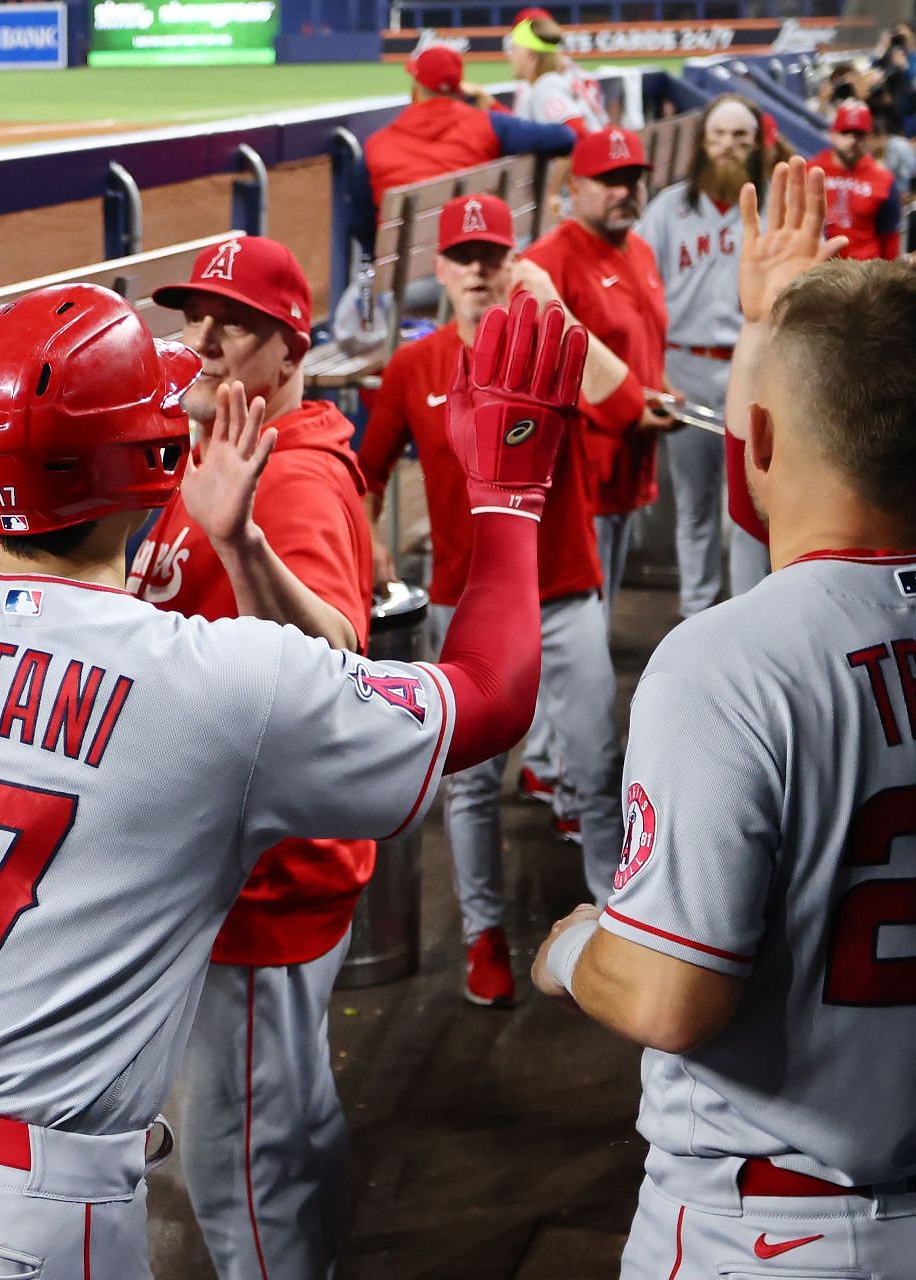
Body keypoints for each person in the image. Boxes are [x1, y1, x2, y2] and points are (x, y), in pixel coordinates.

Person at [0, 241, 589, 1278]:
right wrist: (511, 498)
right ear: (156, 466)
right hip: (10, 1218)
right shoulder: (209, 680)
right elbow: (491, 696)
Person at [531, 162, 916, 1280]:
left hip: (773, 1231)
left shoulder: (725, 661)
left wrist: (572, 948)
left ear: (755, 438)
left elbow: (669, 994)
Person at [117, 237, 370, 1280]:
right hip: (252, 877)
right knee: (290, 1136)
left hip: (263, 891)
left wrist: (243, 545)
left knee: (244, 1182)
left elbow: (341, 655)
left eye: (235, 322)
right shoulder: (232, 448)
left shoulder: (291, 478)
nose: (204, 339)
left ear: (291, 344)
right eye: (193, 316)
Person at [359, 194, 623, 1002]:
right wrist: (373, 555)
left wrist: (554, 315)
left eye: (491, 257)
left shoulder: (552, 349)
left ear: (513, 262)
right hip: (463, 606)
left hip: (566, 593)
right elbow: (362, 476)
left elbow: (625, 406)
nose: (476, 271)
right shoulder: (417, 365)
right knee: (468, 785)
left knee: (599, 772)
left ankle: (622, 932)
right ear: (439, 269)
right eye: (462, 257)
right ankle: (484, 937)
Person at [522, 125, 671, 623]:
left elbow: (641, 343)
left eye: (632, 178)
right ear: (575, 187)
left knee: (600, 616)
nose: (623, 191)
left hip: (630, 464)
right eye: (608, 180)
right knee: (577, 622)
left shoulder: (641, 251)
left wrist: (659, 391)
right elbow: (534, 374)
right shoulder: (548, 262)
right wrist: (620, 407)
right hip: (581, 474)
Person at [635, 94, 766, 617]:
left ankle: (752, 618)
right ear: (702, 142)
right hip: (683, 364)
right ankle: (697, 616)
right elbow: (642, 294)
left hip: (752, 368)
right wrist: (655, 370)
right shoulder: (669, 206)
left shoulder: (775, 204)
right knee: (695, 505)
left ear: (756, 144)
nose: (729, 146)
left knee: (751, 509)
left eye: (741, 136)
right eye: (719, 135)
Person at [362, 44, 575, 215]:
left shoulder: (376, 144)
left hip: (402, 263)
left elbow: (360, 221)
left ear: (416, 89)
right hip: (477, 254)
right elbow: (565, 138)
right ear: (460, 90)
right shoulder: (490, 125)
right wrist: (491, 106)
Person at [812, 101, 902, 260]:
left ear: (868, 138)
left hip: (864, 272)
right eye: (845, 133)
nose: (852, 140)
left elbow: (889, 237)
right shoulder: (812, 171)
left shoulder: (883, 179)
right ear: (832, 134)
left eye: (859, 134)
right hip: (818, 269)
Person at [505, 8, 608, 135]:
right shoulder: (572, 72)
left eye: (515, 49)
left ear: (530, 55)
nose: (510, 56)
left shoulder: (546, 86)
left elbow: (577, 132)